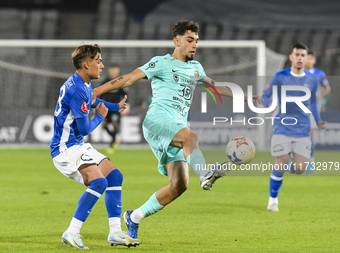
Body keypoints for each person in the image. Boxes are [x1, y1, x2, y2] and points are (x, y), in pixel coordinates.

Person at [93, 20, 263, 242]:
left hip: (175, 127)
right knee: (191, 137)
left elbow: (215, 86)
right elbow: (128, 78)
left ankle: (133, 217)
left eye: (197, 41)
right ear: (177, 41)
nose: (194, 45)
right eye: (190, 40)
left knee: (179, 185)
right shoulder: (160, 63)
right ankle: (206, 174)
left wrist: (245, 97)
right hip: (157, 121)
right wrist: (99, 90)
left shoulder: (196, 68)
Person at [50, 44, 140, 249]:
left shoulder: (82, 83)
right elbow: (84, 129)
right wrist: (101, 115)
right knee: (99, 182)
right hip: (65, 149)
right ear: (86, 63)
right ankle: (72, 232)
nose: (102, 65)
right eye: (98, 61)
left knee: (115, 177)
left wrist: (115, 106)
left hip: (76, 145)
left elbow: (92, 101)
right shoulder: (78, 89)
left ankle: (115, 232)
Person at [262, 43, 327, 212]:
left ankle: (282, 170)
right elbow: (265, 94)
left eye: (302, 55)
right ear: (291, 57)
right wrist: (268, 103)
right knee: (281, 160)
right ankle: (273, 201)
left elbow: (313, 102)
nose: (299, 58)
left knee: (299, 169)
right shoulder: (280, 76)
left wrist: (318, 119)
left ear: (306, 59)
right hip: (282, 127)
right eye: (296, 54)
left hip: (303, 129)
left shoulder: (312, 79)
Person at [304, 50, 331, 175]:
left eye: (310, 58)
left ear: (314, 60)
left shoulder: (319, 73)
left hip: (312, 107)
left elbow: (327, 88)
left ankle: (310, 159)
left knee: (310, 133)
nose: (307, 60)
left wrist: (318, 96)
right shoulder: (297, 72)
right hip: (297, 107)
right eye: (306, 58)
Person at [100, 64, 128, 154]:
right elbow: (101, 95)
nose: (113, 71)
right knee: (104, 125)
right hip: (106, 107)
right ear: (109, 70)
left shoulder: (121, 81)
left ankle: (112, 143)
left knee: (115, 124)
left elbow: (125, 95)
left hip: (116, 107)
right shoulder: (105, 81)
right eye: (112, 70)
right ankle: (114, 139)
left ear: (118, 71)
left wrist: (127, 106)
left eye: (115, 70)